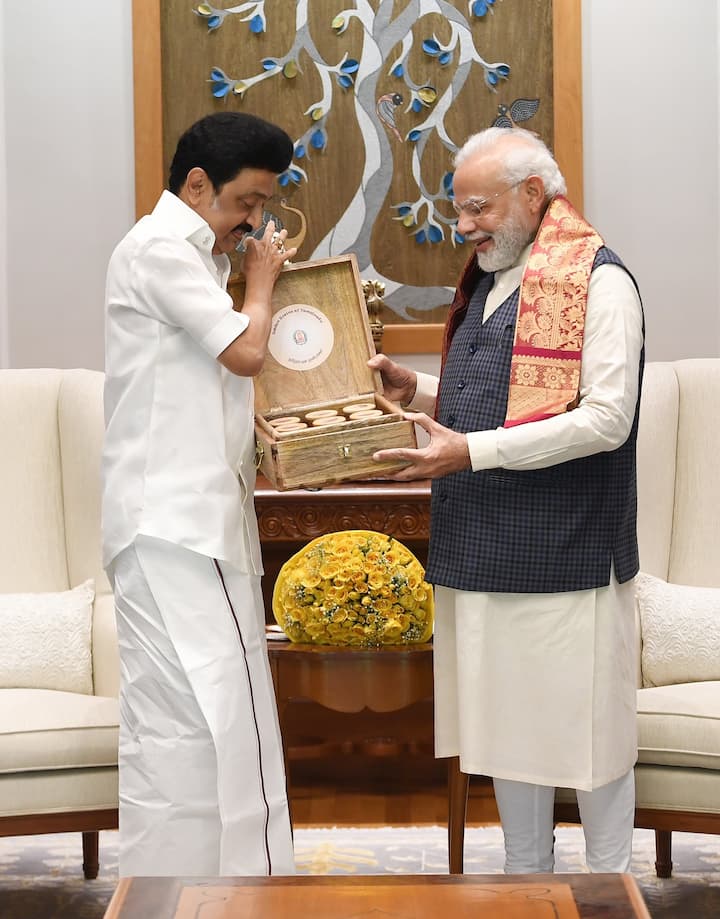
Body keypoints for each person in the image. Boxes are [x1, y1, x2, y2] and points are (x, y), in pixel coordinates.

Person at [370, 126, 644, 874]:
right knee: (508, 735)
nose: (464, 227)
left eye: (478, 208)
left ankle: (610, 888)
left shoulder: (599, 282)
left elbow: (606, 419)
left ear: (532, 194)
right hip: (482, 549)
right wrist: (419, 390)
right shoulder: (489, 280)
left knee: (589, 736)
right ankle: (526, 883)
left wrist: (469, 452)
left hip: (568, 555)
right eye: (460, 210)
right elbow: (499, 401)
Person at [101, 111, 298, 878]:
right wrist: (262, 280)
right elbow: (246, 350)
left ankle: (190, 892)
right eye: (247, 201)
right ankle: (222, 893)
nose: (254, 222)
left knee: (187, 726)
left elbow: (202, 384)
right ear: (195, 184)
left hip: (176, 523)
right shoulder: (159, 249)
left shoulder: (184, 256)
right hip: (177, 525)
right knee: (212, 721)